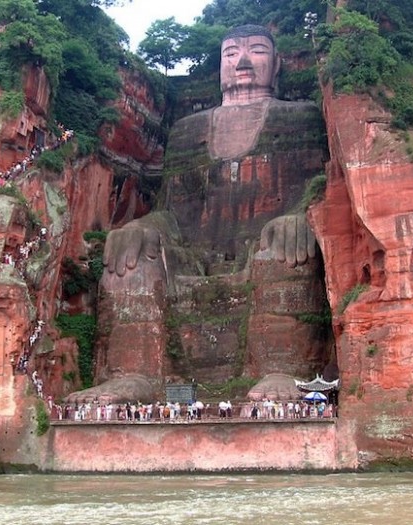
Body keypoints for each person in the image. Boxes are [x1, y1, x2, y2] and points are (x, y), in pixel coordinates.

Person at [94, 24, 329, 401]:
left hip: (265, 248)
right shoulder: (187, 131)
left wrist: (301, 216)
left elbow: (320, 191)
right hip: (192, 260)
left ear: (278, 63)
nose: (244, 61)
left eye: (257, 50)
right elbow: (169, 210)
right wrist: (142, 225)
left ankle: (281, 370)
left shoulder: (300, 117)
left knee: (285, 251)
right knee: (131, 257)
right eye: (232, 53)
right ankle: (134, 374)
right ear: (220, 64)